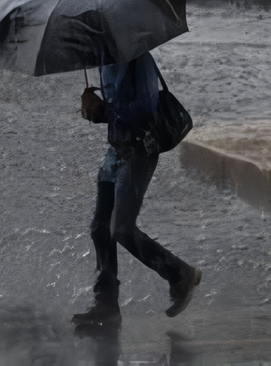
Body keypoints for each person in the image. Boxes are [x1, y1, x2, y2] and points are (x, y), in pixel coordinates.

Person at [72, 52, 201, 328]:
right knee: (99, 227)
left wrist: (103, 109)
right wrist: (94, 111)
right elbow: (117, 113)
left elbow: (143, 110)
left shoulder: (137, 58)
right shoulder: (105, 58)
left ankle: (179, 273)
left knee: (121, 228)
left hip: (141, 149)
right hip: (117, 150)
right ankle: (106, 304)